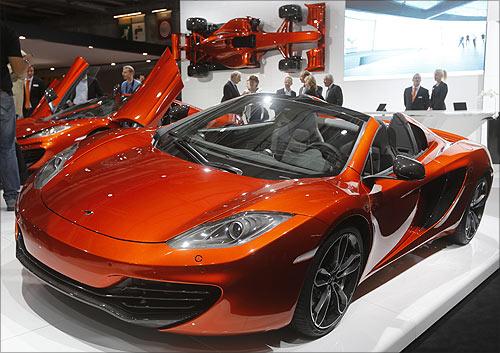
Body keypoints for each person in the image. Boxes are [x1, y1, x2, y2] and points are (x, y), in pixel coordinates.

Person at [1, 22, 30, 211]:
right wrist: (25, 65)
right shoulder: (6, 30)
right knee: (7, 148)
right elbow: (18, 69)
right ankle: (12, 198)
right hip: (1, 95)